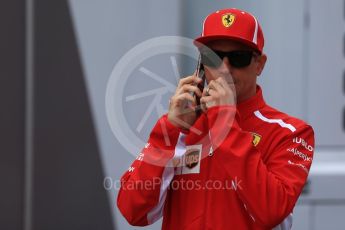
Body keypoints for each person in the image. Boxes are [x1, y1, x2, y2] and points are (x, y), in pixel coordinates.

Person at [117, 8, 314, 230]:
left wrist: (225, 123)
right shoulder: (183, 129)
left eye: (239, 58)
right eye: (214, 57)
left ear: (259, 64)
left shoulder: (291, 132)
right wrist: (171, 129)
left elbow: (272, 211)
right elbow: (133, 210)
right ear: (201, 64)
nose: (225, 69)